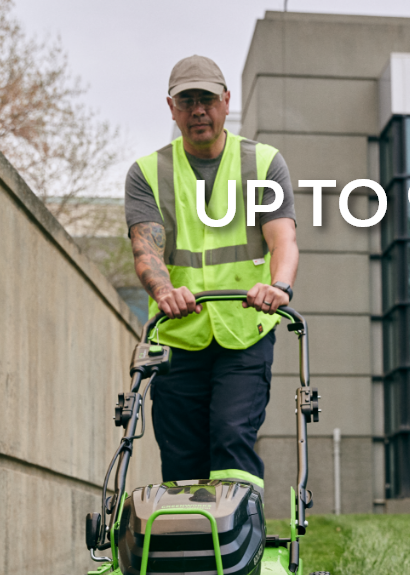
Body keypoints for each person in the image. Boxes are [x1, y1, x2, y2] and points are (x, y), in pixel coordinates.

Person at [125, 55, 298, 492]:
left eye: (206, 98)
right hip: (178, 335)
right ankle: (186, 553)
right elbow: (146, 252)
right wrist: (164, 292)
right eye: (187, 101)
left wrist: (279, 286)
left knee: (231, 436)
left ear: (225, 101)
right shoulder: (147, 173)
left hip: (245, 330)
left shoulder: (264, 164)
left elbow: (283, 241)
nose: (197, 109)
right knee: (181, 456)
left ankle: (238, 553)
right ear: (172, 107)